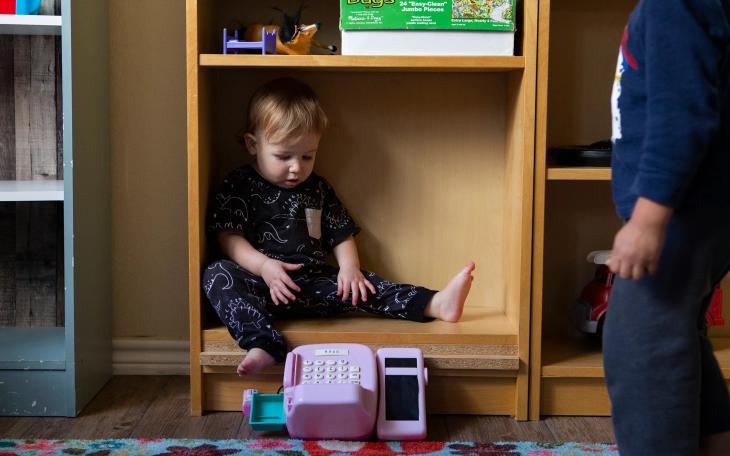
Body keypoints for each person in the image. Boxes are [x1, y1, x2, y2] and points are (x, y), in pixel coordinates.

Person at [203, 77, 475, 377]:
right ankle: (263, 343)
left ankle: (436, 304)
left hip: (313, 284)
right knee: (217, 274)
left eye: (307, 156)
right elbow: (228, 238)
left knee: (367, 285)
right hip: (261, 285)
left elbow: (340, 232)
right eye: (283, 156)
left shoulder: (317, 188)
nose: (297, 167)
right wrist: (265, 267)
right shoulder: (238, 184)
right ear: (253, 144)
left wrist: (350, 268)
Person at [604, 0, 730, 454]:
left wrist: (649, 218)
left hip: (680, 213)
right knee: (679, 335)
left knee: (641, 350)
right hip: (699, 210)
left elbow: (681, 114)